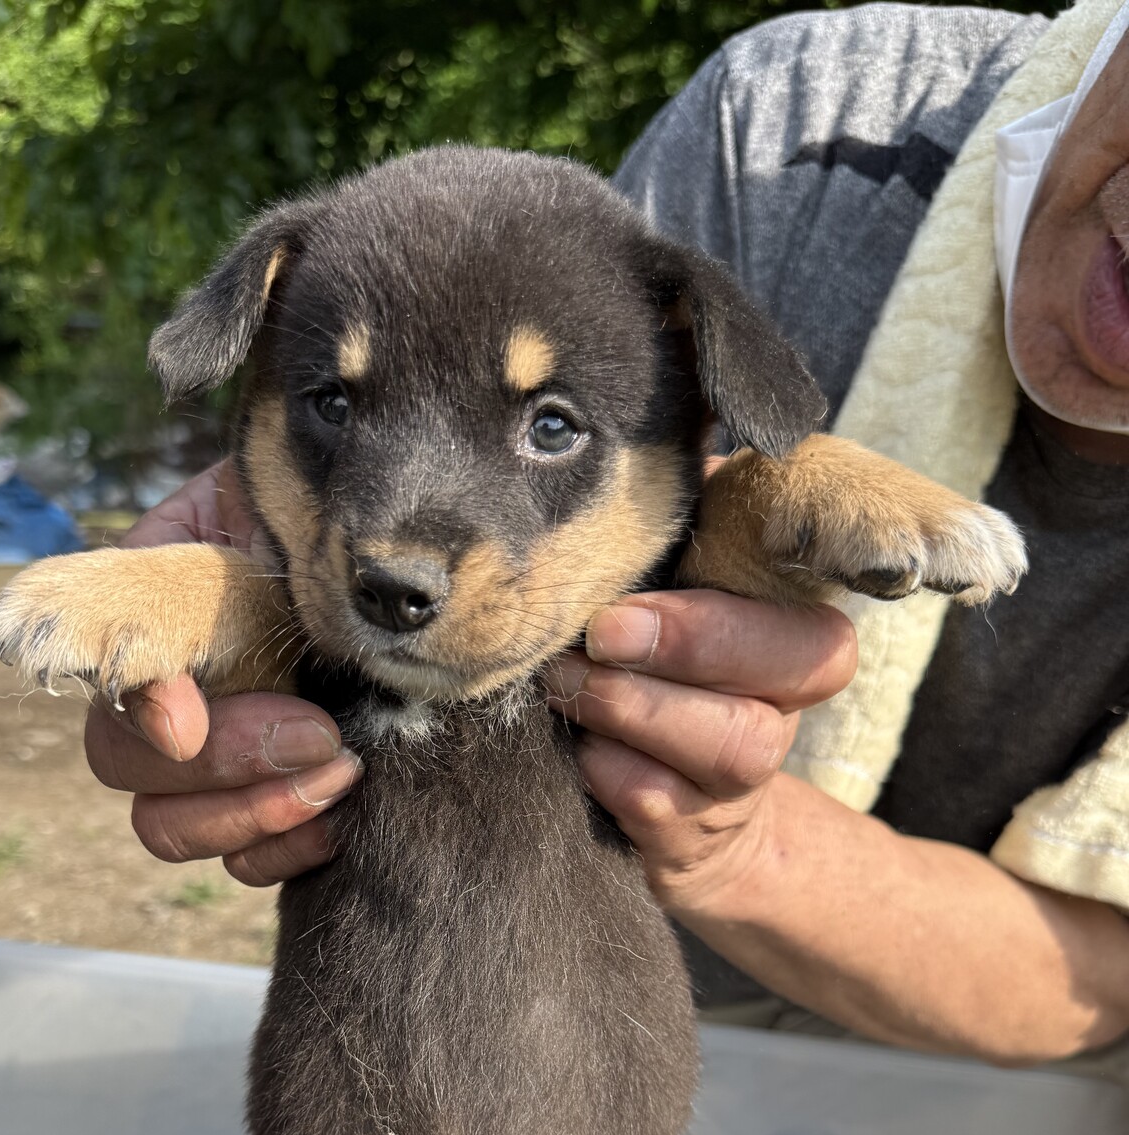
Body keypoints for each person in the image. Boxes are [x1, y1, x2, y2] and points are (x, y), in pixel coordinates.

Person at [82, 0, 1129, 1071]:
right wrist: (209, 591)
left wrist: (741, 844)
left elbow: (1095, 984)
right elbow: (614, 453)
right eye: (337, 410)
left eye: (551, 426)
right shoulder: (798, 118)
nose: (402, 548)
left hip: (984, 1091)